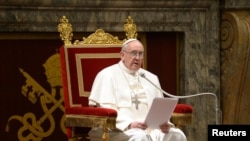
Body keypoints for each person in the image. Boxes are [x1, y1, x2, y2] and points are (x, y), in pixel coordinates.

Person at [88, 38, 187, 141]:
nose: (137, 58)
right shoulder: (107, 75)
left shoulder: (150, 77)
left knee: (177, 134)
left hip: (149, 129)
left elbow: (158, 108)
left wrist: (163, 123)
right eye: (133, 53)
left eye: (140, 54)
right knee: (140, 137)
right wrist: (130, 124)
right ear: (122, 55)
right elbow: (106, 109)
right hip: (116, 130)